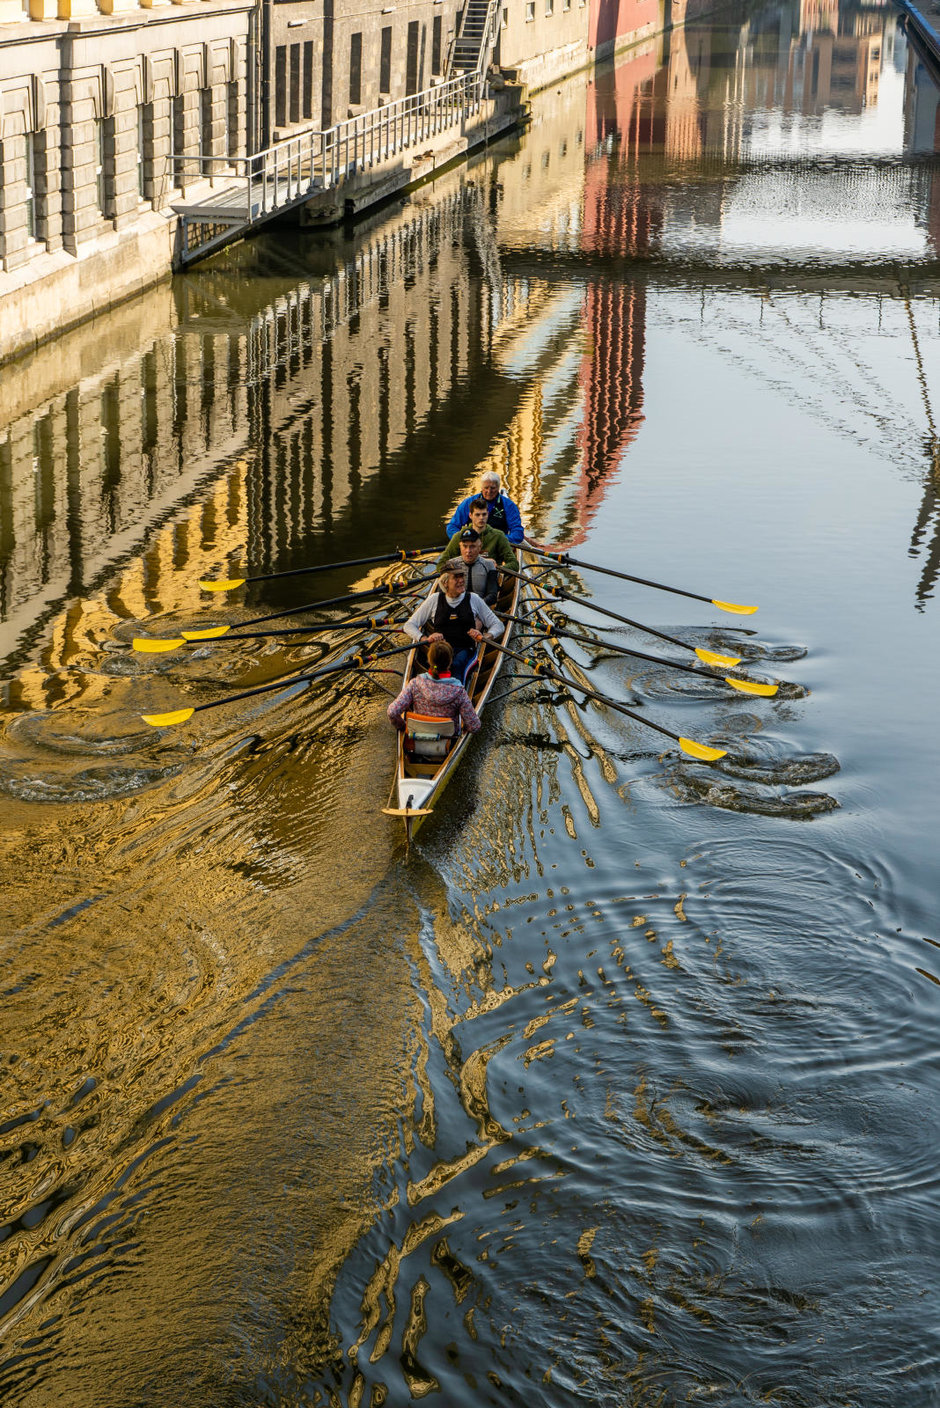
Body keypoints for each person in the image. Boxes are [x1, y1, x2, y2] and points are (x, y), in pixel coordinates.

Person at [402, 560, 503, 681]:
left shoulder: (473, 599)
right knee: (437, 669)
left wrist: (486, 636)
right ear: (445, 583)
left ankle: (455, 692)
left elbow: (498, 625)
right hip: (440, 653)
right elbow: (409, 625)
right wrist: (424, 638)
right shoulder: (434, 600)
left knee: (456, 666)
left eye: (462, 576)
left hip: (465, 650)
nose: (461, 580)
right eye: (456, 577)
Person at [387, 641, 482, 737]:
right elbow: (474, 726)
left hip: (417, 736)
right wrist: (465, 728)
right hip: (448, 739)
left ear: (429, 660)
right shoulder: (459, 691)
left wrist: (403, 726)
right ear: (450, 662)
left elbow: (392, 712)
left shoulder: (415, 684)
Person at [437, 499, 519, 575]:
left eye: (484, 514)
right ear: (470, 515)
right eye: (477, 515)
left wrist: (496, 569)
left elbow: (514, 564)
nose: (481, 518)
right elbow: (441, 565)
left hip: (490, 580)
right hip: (462, 578)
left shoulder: (498, 536)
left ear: (488, 514)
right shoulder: (459, 536)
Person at [446, 471, 524, 544]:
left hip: (498, 546)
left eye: (492, 488)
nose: (489, 491)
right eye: (486, 488)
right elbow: (452, 526)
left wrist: (498, 540)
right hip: (472, 544)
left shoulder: (509, 505)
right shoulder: (468, 503)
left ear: (498, 487)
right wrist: (464, 539)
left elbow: (518, 533)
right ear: (482, 488)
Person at [444, 528, 499, 604]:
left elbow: (492, 596)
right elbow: (442, 594)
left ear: (479, 547)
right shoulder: (451, 564)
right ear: (460, 546)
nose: (468, 551)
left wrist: (475, 607)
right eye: (465, 546)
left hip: (481, 609)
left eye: (472, 546)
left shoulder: (489, 565)